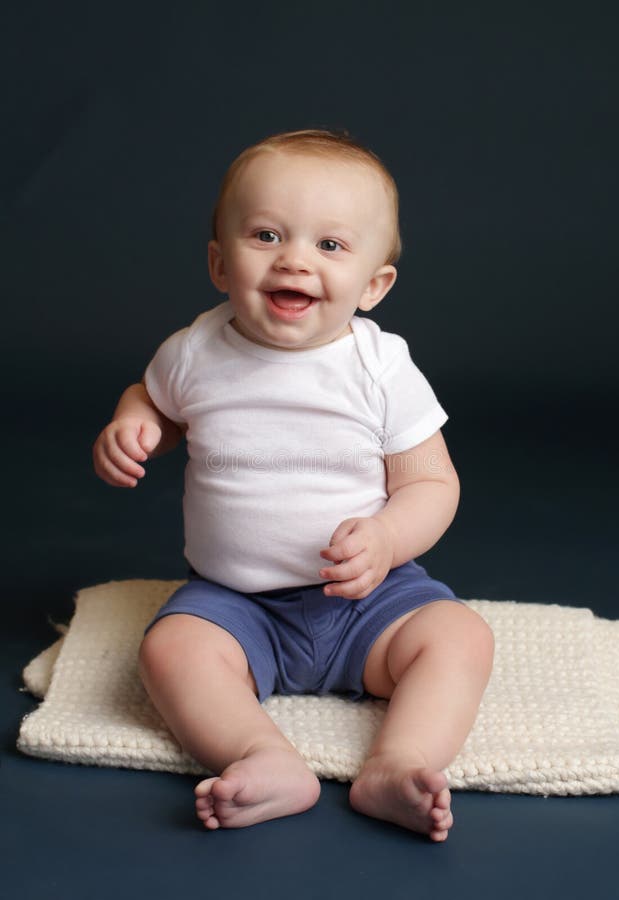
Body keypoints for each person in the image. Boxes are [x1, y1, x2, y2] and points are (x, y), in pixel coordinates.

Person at [92, 129, 494, 842]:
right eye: (267, 235)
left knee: (458, 636)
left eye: (330, 246)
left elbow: (432, 482)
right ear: (220, 262)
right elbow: (155, 400)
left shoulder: (380, 369)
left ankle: (399, 764)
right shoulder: (193, 352)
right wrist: (134, 423)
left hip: (370, 602)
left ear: (375, 284)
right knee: (171, 649)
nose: (294, 260)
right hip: (235, 604)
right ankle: (262, 756)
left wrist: (386, 537)